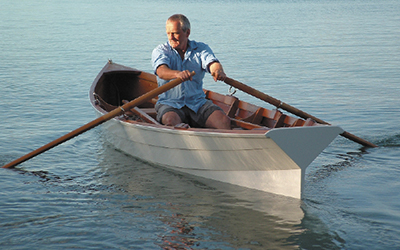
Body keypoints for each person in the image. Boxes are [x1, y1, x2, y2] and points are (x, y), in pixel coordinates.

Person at [151, 14, 231, 129]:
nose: (171, 37)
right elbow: (161, 71)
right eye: (168, 33)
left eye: (175, 33)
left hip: (197, 103)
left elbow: (212, 63)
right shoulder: (161, 51)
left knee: (224, 121)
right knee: (171, 121)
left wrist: (218, 71)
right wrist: (178, 74)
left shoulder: (201, 48)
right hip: (170, 103)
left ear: (187, 33)